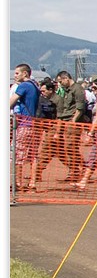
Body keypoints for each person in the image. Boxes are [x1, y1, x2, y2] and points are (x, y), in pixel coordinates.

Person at [9, 63, 39, 191]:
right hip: (31, 124)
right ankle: (30, 182)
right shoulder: (34, 86)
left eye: (17, 73)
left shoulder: (24, 86)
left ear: (25, 73)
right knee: (31, 155)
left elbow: (10, 102)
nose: (15, 76)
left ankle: (17, 183)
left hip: (24, 124)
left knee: (16, 154)